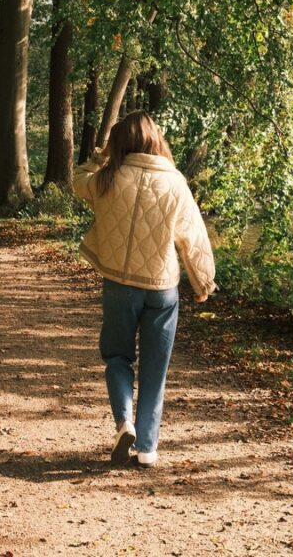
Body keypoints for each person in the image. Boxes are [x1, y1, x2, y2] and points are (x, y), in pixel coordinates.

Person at [73, 110, 217, 468]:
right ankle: (148, 448)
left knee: (118, 357)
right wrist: (203, 282)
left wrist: (100, 155)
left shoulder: (106, 177)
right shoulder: (175, 182)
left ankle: (124, 422)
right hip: (162, 288)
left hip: (120, 285)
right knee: (156, 368)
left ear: (119, 142)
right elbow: (193, 237)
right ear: (156, 140)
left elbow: (77, 182)